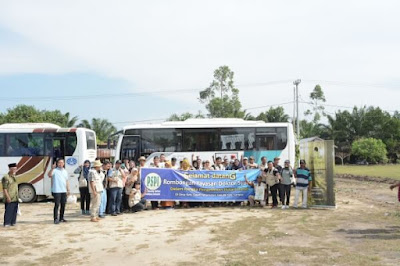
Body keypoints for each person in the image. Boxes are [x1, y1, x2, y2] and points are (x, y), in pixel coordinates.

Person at [48, 159, 70, 224]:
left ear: (64, 164)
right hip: (56, 190)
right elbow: (49, 175)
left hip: (63, 190)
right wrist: (52, 168)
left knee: (63, 204)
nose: (61, 164)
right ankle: (55, 219)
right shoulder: (54, 170)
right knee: (57, 204)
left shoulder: (65, 171)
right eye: (59, 163)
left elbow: (67, 181)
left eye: (62, 162)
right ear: (57, 163)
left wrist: (68, 189)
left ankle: (61, 217)